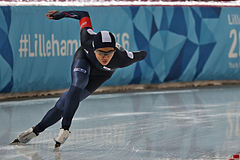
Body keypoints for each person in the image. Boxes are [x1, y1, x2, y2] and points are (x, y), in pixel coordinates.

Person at [11, 10, 147, 148]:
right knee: (78, 83)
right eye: (101, 52)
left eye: (109, 52)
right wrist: (62, 14)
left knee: (65, 103)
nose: (105, 57)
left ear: (114, 51)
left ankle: (35, 131)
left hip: (102, 75)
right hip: (84, 59)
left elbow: (141, 54)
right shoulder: (87, 38)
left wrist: (143, 52)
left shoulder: (123, 58)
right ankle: (65, 129)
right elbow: (83, 14)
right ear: (94, 48)